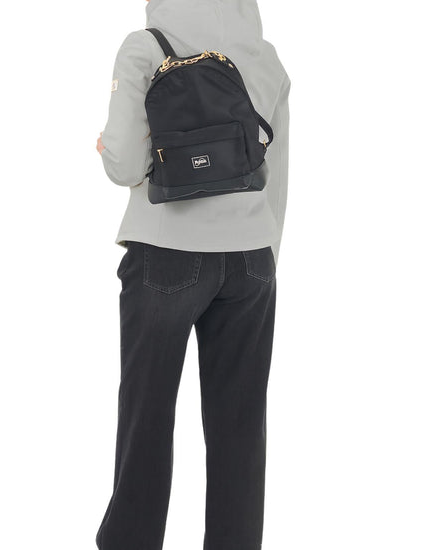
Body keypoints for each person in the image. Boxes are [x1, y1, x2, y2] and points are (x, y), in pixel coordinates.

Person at [95, 1, 290, 549]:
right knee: (240, 428)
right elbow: (277, 173)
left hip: (165, 254)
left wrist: (109, 148)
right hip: (252, 257)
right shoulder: (265, 56)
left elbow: (124, 166)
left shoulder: (145, 48)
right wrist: (267, 253)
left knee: (146, 422)